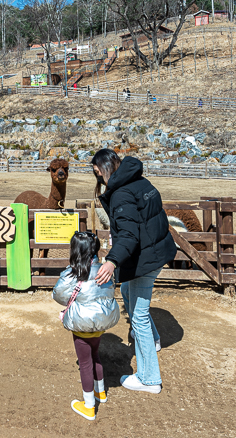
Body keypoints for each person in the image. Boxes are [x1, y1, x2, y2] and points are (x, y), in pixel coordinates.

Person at [91, 149, 177, 394]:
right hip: (156, 251)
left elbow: (128, 234)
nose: (99, 180)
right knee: (128, 290)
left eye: (98, 175)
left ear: (105, 169)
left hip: (146, 259)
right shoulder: (139, 180)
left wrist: (112, 261)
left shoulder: (121, 194)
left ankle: (149, 379)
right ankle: (155, 338)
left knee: (138, 316)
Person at [53, 231, 120, 421]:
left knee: (85, 363)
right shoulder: (104, 270)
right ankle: (101, 393)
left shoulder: (72, 273)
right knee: (95, 355)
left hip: (81, 325)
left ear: (75, 250)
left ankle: (89, 406)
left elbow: (58, 294)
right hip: (100, 323)